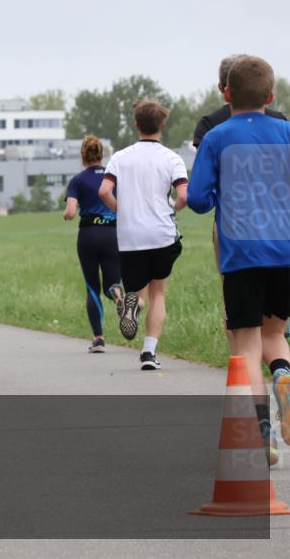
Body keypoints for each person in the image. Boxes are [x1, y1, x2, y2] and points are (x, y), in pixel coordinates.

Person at [187, 55, 290, 464]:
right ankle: (283, 374)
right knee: (275, 334)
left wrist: (219, 196)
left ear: (226, 94)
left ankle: (263, 432)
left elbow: (195, 199)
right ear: (271, 95)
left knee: (246, 345)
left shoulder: (217, 138)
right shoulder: (286, 133)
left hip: (241, 252)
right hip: (285, 249)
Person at [98, 100, 187, 370]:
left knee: (138, 290)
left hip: (131, 237)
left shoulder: (120, 157)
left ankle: (132, 305)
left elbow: (103, 191)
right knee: (159, 292)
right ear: (162, 125)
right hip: (161, 234)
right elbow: (183, 195)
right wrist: (172, 208)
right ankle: (148, 353)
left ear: (136, 124)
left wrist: (121, 210)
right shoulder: (172, 158)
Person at [63, 136, 124, 353]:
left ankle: (98, 339)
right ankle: (117, 295)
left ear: (83, 156)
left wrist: (66, 214)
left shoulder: (78, 180)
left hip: (88, 235)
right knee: (112, 282)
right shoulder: (113, 177)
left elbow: (70, 213)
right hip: (112, 233)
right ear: (102, 154)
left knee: (92, 287)